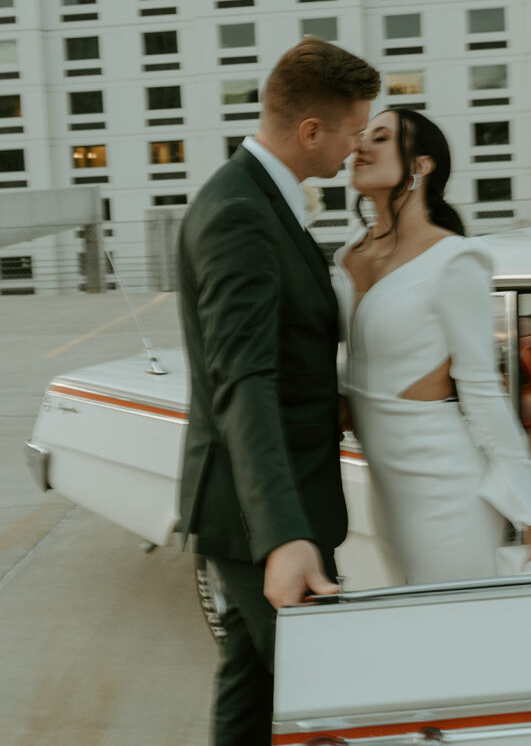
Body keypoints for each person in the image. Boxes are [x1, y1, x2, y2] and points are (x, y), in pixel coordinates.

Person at [177, 37, 380, 745]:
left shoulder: (263, 197)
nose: (356, 147)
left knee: (250, 691)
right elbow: (244, 381)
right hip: (260, 512)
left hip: (275, 502)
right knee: (327, 701)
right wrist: (283, 535)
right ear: (310, 131)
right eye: (354, 130)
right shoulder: (239, 212)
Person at [334, 107, 531, 585]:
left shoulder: (455, 258)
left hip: (445, 488)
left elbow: (482, 389)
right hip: (384, 487)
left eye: (380, 138)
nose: (360, 146)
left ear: (422, 166)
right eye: (361, 136)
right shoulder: (348, 255)